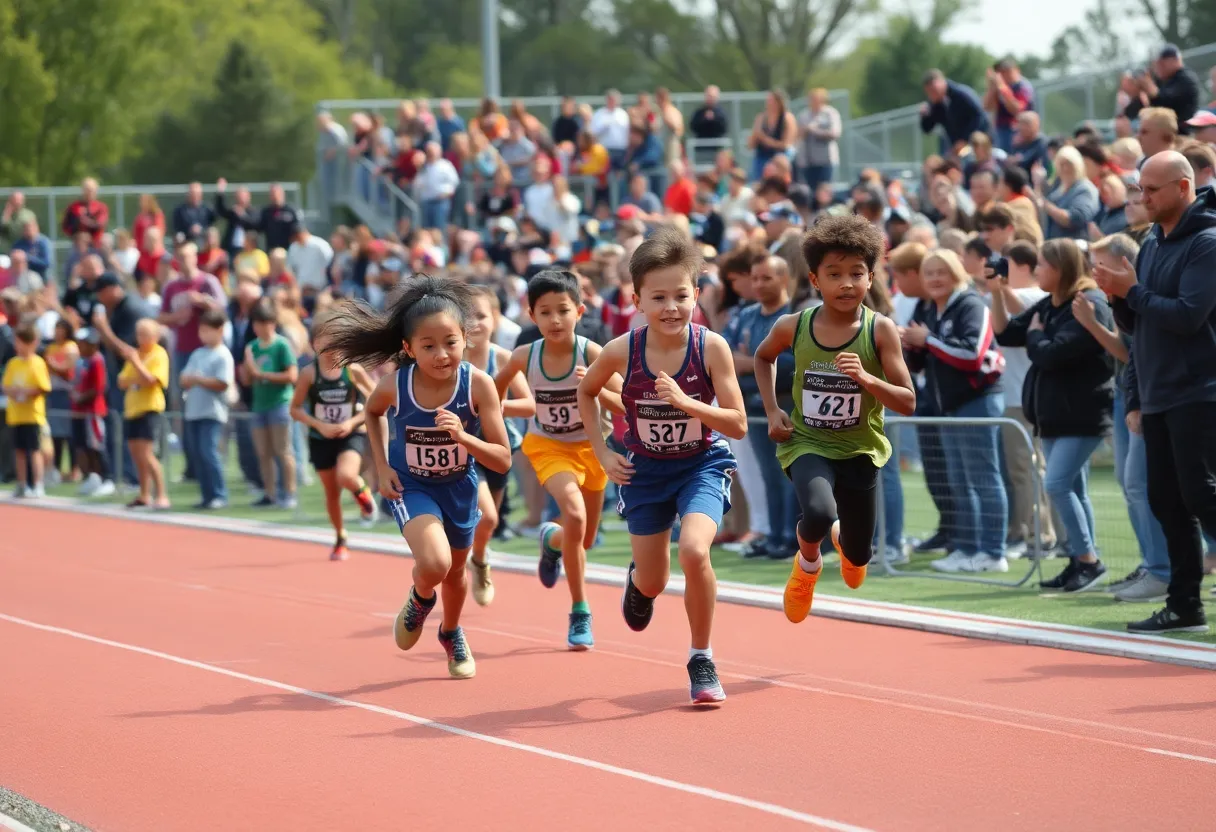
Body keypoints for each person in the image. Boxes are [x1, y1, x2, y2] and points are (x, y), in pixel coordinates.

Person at [577, 226, 746, 705]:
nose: (671, 307)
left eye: (681, 295)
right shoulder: (621, 350)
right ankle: (639, 582)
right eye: (659, 297)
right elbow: (586, 392)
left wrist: (688, 404)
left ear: (697, 293)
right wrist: (602, 451)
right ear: (638, 300)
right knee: (655, 580)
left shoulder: (710, 347)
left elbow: (736, 424)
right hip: (645, 471)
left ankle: (701, 657)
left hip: (701, 465)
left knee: (694, 551)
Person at [318, 277, 512, 679]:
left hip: (460, 484)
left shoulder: (480, 385)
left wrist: (462, 437)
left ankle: (451, 632)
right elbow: (371, 413)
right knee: (435, 562)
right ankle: (421, 598)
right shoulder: (395, 386)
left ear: (466, 338)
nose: (441, 354)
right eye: (428, 346)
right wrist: (383, 466)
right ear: (408, 348)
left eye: (450, 342)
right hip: (413, 485)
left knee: (457, 572)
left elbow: (503, 459)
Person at [752, 216, 915, 622]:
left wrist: (864, 377)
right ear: (814, 279)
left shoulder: (881, 331)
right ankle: (806, 568)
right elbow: (762, 357)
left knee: (860, 556)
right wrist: (773, 409)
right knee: (820, 513)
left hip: (860, 448)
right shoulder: (794, 326)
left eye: (856, 273)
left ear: (871, 278)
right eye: (834, 274)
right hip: (807, 442)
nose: (846, 283)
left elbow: (908, 401)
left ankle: (847, 543)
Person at [1096, 151, 1216, 633]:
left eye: (1151, 189)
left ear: (1183, 188)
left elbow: (1188, 315)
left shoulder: (1206, 242)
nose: (1141, 198)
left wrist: (1132, 294)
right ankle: (1185, 603)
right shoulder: (1151, 245)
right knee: (1167, 501)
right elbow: (1140, 324)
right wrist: (1118, 299)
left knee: (1200, 496)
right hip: (1161, 392)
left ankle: (1185, 599)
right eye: (1140, 188)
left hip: (1200, 390)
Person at [494, 270, 622, 651]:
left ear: (579, 311)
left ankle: (552, 540)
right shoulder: (524, 356)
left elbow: (624, 402)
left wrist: (594, 386)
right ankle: (580, 610)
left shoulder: (592, 353)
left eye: (562, 310)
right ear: (531, 316)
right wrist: (490, 417)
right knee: (576, 514)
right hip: (548, 447)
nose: (554, 320)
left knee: (583, 538)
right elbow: (492, 393)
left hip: (594, 448)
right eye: (545, 312)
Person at [994, 239, 1115, 591]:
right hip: (1053, 414)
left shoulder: (1087, 301)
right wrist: (997, 291)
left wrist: (1035, 336)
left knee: (1057, 483)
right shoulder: (1050, 303)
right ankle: (1080, 559)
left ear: (1060, 269)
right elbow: (1006, 333)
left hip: (1082, 412)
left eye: (1043, 266)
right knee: (1073, 486)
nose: (1036, 272)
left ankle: (1089, 561)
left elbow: (1051, 354)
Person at [464, 286, 534, 605]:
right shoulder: (452, 359)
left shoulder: (502, 357)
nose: (474, 323)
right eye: (466, 317)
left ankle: (478, 556)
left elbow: (529, 404)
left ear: (494, 318)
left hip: (499, 448)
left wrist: (494, 405)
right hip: (463, 448)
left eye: (480, 316)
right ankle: (475, 561)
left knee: (488, 517)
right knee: (488, 517)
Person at [289, 310, 378, 561]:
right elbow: (294, 409)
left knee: (346, 475)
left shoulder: (353, 371)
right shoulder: (309, 374)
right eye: (327, 340)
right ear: (316, 344)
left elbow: (375, 401)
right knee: (331, 493)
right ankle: (340, 537)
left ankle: (363, 493)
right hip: (321, 438)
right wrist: (318, 424)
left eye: (338, 339)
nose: (333, 346)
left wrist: (352, 422)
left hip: (350, 434)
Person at [243, 298, 299, 509]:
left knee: (283, 450)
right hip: (259, 404)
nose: (260, 328)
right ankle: (270, 493)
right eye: (257, 323)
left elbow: (292, 375)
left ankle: (290, 492)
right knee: (263, 452)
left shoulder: (281, 345)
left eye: (264, 323)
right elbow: (248, 380)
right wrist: (248, 369)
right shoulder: (252, 347)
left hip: (279, 403)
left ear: (272, 324)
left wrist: (262, 374)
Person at [180, 309, 237, 511]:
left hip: (212, 412)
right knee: (197, 453)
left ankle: (219, 494)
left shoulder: (223, 355)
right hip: (194, 410)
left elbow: (223, 383)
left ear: (219, 330)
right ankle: (206, 495)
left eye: (207, 330)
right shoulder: (198, 353)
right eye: (201, 330)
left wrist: (198, 379)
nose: (203, 334)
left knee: (208, 452)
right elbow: (184, 378)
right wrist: (190, 379)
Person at [117, 318, 170, 509]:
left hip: (150, 408)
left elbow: (151, 380)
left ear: (155, 336)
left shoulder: (158, 355)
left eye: (146, 334)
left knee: (147, 454)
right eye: (139, 334)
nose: (142, 339)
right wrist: (136, 370)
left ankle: (162, 494)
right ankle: (144, 494)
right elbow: (122, 381)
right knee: (136, 455)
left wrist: (136, 364)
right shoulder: (137, 354)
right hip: (133, 409)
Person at [2, 323, 52, 498]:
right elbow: (5, 385)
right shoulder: (13, 363)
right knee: (19, 451)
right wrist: (13, 391)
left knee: (35, 450)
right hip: (16, 415)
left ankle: (38, 484)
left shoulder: (37, 363)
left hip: (32, 415)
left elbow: (43, 387)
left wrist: (26, 392)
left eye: (21, 342)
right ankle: (22, 484)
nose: (18, 346)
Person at [71, 328, 114, 497]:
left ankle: (106, 478)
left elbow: (99, 387)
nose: (80, 346)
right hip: (80, 411)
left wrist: (81, 397)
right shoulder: (82, 361)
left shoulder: (97, 360)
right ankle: (92, 477)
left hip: (93, 411)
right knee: (83, 446)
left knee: (96, 445)